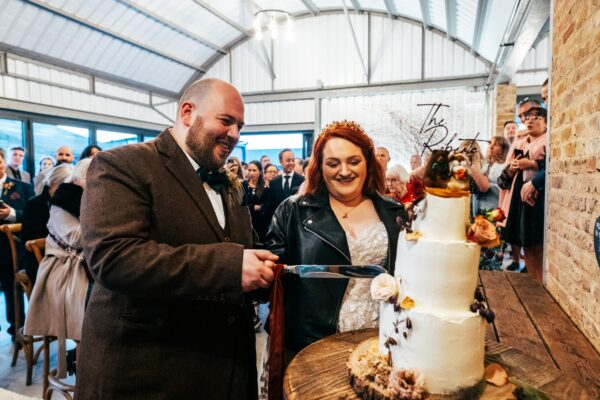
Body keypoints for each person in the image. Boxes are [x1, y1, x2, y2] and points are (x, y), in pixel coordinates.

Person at [75, 78, 277, 400]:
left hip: (225, 370)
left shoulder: (230, 184)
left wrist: (267, 273)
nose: (235, 135)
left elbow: (243, 249)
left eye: (240, 126)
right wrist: (230, 267)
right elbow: (113, 258)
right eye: (226, 121)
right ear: (187, 112)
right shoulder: (121, 165)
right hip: (150, 373)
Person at [265, 120, 403, 354]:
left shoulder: (394, 213)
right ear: (319, 167)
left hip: (381, 339)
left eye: (354, 161)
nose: (345, 171)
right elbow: (271, 280)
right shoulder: (293, 212)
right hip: (312, 344)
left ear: (368, 163)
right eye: (333, 163)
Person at [24, 159, 92, 378]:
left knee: (118, 293)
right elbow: (75, 238)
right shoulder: (63, 202)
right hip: (63, 270)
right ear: (80, 180)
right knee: (98, 298)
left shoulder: (86, 198)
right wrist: (107, 224)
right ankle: (82, 361)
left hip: (82, 265)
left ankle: (96, 356)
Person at [498, 107, 547, 283]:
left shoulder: (547, 142)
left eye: (536, 117)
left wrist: (532, 164)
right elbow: (502, 181)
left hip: (538, 198)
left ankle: (540, 284)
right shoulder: (518, 145)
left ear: (546, 123)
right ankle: (534, 285)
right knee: (527, 246)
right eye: (527, 118)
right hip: (519, 198)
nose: (530, 120)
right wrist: (512, 169)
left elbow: (551, 167)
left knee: (538, 246)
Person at [0, 152, 35, 338]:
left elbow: (32, 216)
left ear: (4, 163)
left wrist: (11, 214)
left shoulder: (23, 188)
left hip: (9, 250)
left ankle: (17, 330)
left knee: (12, 291)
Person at [21, 163, 73, 282]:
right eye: (66, 185)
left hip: (63, 255)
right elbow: (29, 239)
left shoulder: (67, 202)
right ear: (53, 183)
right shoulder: (34, 204)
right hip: (40, 258)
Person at [242, 160, 271, 243]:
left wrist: (260, 208)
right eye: (249, 170)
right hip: (246, 221)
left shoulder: (265, 188)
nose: (251, 173)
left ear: (260, 172)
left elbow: (266, 206)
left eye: (254, 170)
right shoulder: (243, 185)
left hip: (260, 223)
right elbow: (242, 204)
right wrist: (253, 207)